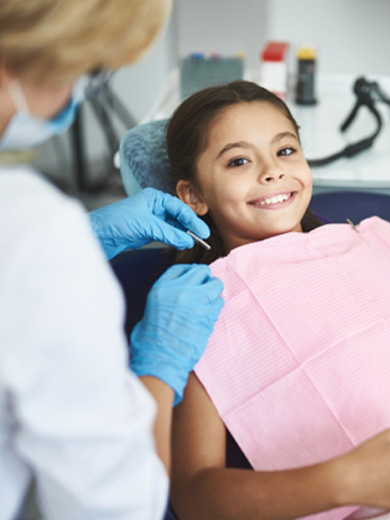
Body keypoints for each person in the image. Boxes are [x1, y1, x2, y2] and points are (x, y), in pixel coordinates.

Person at [0, 1, 224, 519]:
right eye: (87, 72)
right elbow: (116, 508)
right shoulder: (33, 233)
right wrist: (158, 370)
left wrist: (82, 238)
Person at [164, 80, 390, 520]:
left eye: (286, 151)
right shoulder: (200, 308)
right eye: (238, 160)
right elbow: (195, 497)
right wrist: (349, 478)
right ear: (193, 195)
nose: (272, 171)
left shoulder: (378, 242)